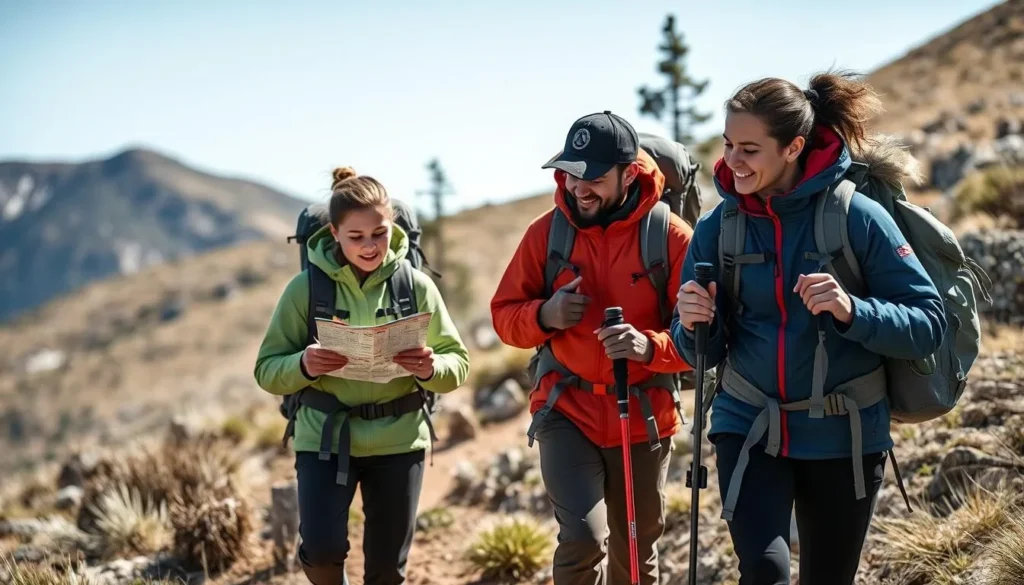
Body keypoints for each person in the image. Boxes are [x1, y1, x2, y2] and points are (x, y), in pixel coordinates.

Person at [672, 70, 947, 585]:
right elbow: (694, 350)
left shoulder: (857, 217)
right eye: (729, 144)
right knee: (764, 570)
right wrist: (693, 324)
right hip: (747, 426)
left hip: (845, 436)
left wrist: (852, 310)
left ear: (794, 146)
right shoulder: (718, 227)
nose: (731, 162)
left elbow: (927, 323)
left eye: (750, 149)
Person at [491, 111, 694, 585]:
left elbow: (702, 338)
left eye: (595, 177)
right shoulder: (547, 233)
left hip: (643, 414)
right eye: (571, 172)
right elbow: (505, 315)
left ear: (630, 172)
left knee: (635, 551)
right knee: (582, 539)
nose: (579, 187)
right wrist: (545, 315)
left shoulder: (671, 237)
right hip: (566, 408)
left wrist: (649, 347)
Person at [254, 167, 470, 585]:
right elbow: (266, 370)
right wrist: (304, 364)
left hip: (400, 438)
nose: (370, 246)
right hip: (323, 437)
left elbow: (457, 365)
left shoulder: (417, 287)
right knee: (320, 553)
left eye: (380, 233)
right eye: (356, 237)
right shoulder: (304, 290)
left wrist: (430, 367)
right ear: (334, 233)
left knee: (387, 572)